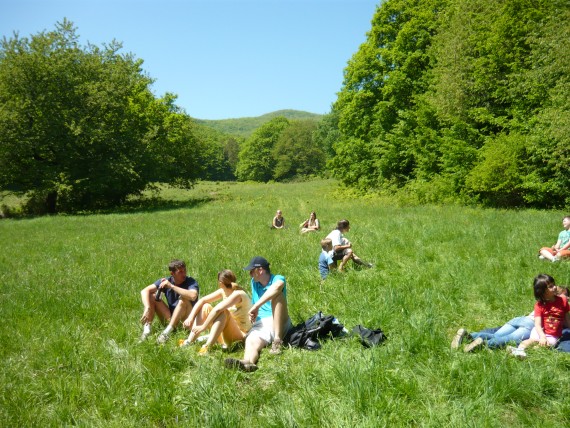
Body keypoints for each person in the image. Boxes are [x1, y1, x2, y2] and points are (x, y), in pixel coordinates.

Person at [452, 285, 569, 352]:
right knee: (507, 339)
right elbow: (563, 323)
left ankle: (468, 335)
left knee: (496, 334)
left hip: (520, 319)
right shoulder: (558, 305)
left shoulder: (541, 302)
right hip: (529, 326)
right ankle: (483, 345)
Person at [224, 256, 292, 372]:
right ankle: (247, 362)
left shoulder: (278, 279)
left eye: (251, 271)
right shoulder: (254, 283)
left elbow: (277, 287)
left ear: (260, 270)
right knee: (251, 340)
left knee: (278, 295)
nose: (250, 274)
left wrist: (256, 306)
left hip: (280, 321)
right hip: (262, 324)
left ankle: (277, 341)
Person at [180, 269, 252, 355]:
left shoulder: (239, 294)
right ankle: (189, 341)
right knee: (205, 306)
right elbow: (202, 300)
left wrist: (203, 326)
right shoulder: (223, 291)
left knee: (223, 312)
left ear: (220, 283)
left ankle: (207, 347)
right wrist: (190, 317)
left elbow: (217, 309)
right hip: (224, 332)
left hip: (239, 336)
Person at [508, 274, 570, 358]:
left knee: (546, 345)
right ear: (543, 292)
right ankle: (520, 349)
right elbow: (537, 324)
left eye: (554, 284)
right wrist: (542, 336)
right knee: (531, 341)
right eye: (550, 286)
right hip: (540, 331)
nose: (555, 287)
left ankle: (520, 352)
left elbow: (567, 319)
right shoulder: (539, 305)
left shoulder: (563, 300)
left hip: (553, 335)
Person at [139, 259, 199, 344]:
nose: (184, 274)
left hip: (186, 321)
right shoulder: (167, 281)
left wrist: (171, 286)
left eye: (185, 270)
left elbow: (193, 296)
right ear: (172, 273)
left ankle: (166, 333)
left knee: (183, 299)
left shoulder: (190, 281)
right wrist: (147, 307)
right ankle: (147, 331)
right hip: (171, 317)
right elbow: (144, 291)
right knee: (151, 296)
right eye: (180, 272)